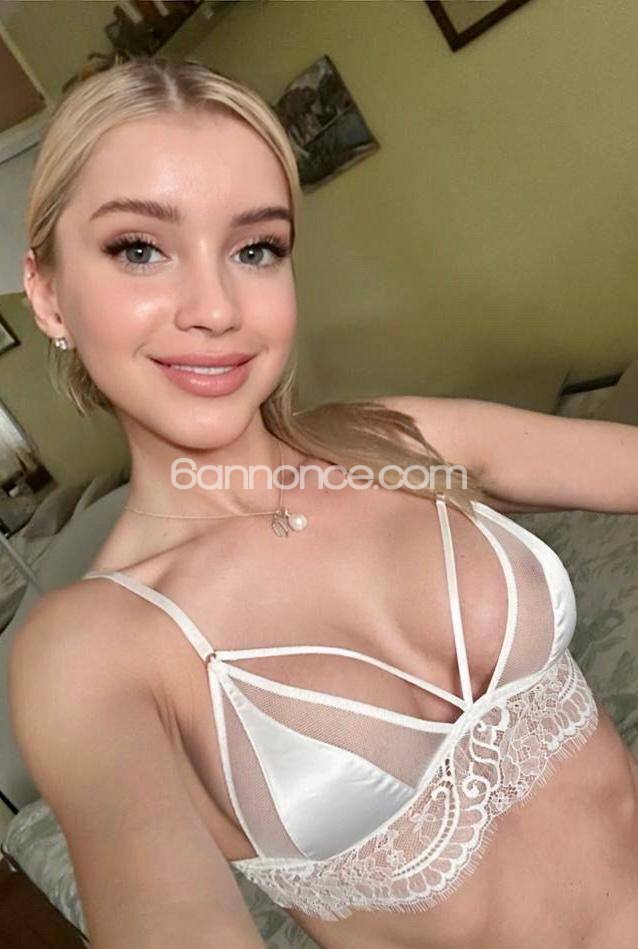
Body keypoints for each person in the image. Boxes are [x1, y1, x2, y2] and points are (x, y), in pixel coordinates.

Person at [8, 55, 638, 949]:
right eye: (139, 249)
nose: (216, 307)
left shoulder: (400, 441)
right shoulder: (88, 650)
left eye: (255, 248)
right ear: (47, 294)